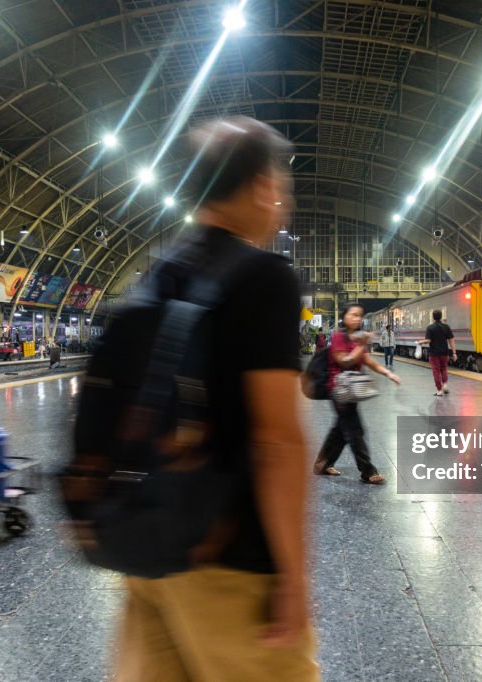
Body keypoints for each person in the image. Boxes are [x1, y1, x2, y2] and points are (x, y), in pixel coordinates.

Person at [110, 117, 318, 681]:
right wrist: (295, 579)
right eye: (282, 187)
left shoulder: (159, 277)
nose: (283, 205)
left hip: (149, 555)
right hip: (229, 565)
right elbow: (277, 439)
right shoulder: (264, 277)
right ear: (259, 187)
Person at [313, 304, 399, 484]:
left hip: (351, 390)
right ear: (344, 317)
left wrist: (387, 373)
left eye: (359, 315)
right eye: (353, 315)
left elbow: (367, 360)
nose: (357, 318)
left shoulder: (358, 338)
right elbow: (345, 361)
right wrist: (361, 345)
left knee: (340, 431)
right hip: (339, 389)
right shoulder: (339, 337)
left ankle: (322, 464)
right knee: (355, 430)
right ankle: (368, 471)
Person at [419, 309, 456, 396]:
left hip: (434, 353)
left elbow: (428, 340)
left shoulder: (430, 328)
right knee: (444, 369)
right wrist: (454, 353)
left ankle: (439, 390)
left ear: (433, 317)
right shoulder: (446, 327)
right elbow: (451, 340)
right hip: (444, 352)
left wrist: (420, 342)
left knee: (436, 371)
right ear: (441, 316)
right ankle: (445, 384)